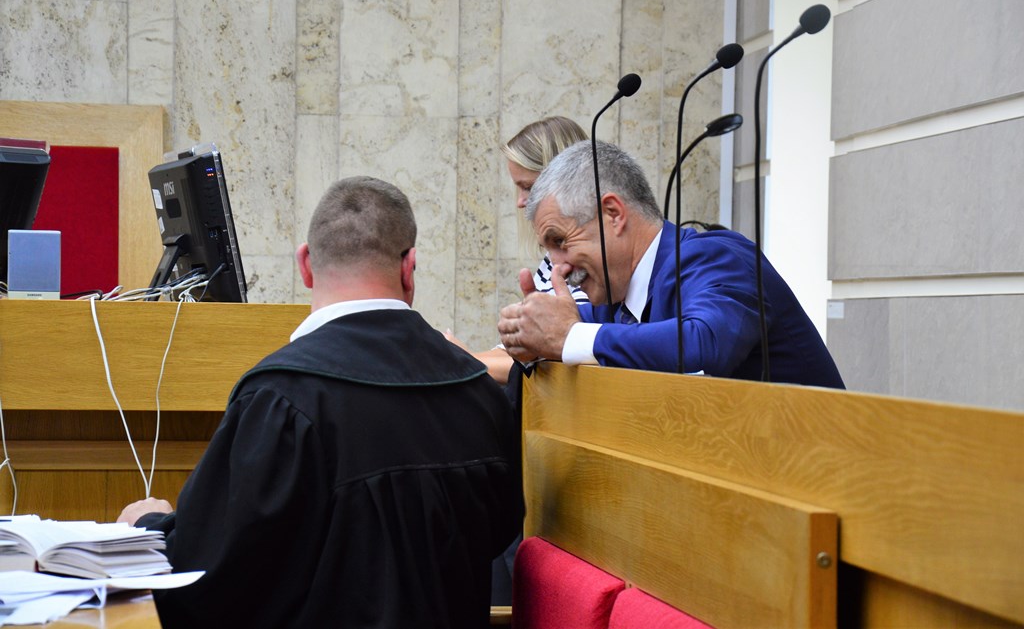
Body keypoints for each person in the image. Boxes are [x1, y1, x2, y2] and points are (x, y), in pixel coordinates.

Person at [118, 176, 524, 629]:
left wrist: (148, 528)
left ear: (306, 264)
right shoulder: (478, 392)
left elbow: (208, 578)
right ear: (410, 266)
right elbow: (499, 536)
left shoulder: (280, 398)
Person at [496, 140, 845, 388]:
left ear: (613, 214)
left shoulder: (718, 259)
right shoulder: (614, 299)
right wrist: (530, 332)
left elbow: (704, 344)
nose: (558, 267)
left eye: (560, 242)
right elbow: (570, 329)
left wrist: (568, 336)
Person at [446, 116, 589, 384]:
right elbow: (525, 353)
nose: (521, 202)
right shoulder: (552, 258)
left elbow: (553, 357)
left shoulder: (583, 261)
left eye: (529, 187)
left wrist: (461, 361)